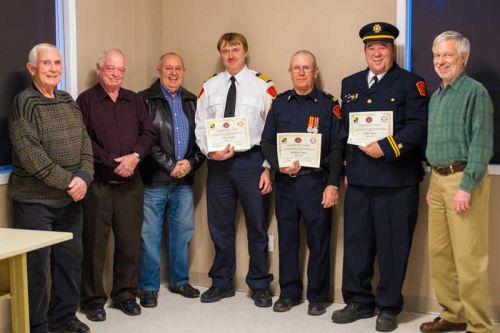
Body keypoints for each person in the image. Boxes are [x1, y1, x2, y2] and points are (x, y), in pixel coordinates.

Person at [331, 22, 428, 332]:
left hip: (396, 181)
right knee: (357, 244)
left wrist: (387, 147)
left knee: (392, 246)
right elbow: (344, 131)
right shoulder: (350, 83)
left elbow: (416, 127)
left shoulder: (412, 84)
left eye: (382, 47)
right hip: (359, 181)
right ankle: (359, 301)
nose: (377, 52)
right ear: (365, 51)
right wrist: (345, 169)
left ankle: (388, 306)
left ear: (391, 50)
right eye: (371, 48)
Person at [9, 43, 93, 333]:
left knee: (70, 262)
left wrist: (84, 176)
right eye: (46, 63)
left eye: (57, 63)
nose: (53, 68)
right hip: (35, 202)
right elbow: (31, 156)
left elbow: (85, 144)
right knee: (36, 267)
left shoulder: (67, 100)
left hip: (70, 201)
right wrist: (70, 181)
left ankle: (64, 318)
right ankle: (36, 324)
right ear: (32, 68)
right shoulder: (24, 103)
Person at [419, 31, 494, 333]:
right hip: (438, 180)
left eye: (447, 55)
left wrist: (466, 186)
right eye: (437, 55)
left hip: (464, 180)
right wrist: (434, 184)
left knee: (469, 258)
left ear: (463, 57)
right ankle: (453, 313)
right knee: (440, 255)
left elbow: (481, 143)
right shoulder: (437, 96)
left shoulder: (475, 92)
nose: (440, 61)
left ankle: (480, 325)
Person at [194, 32, 275, 307]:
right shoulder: (210, 87)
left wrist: (267, 167)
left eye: (236, 49)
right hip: (218, 165)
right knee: (219, 226)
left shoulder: (262, 85)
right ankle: (222, 282)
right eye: (225, 50)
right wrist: (209, 152)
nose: (230, 55)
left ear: (245, 52)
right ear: (221, 54)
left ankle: (260, 284)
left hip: (251, 163)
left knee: (257, 226)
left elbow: (272, 129)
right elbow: (200, 125)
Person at [260, 50, 343, 316]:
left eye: (307, 67)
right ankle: (289, 293)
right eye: (296, 67)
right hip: (286, 184)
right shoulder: (280, 103)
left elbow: (337, 148)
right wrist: (276, 165)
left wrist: (333, 184)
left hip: (315, 182)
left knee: (319, 242)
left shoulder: (328, 105)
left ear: (315, 71)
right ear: (290, 71)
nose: (301, 72)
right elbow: (266, 141)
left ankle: (318, 296)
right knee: (288, 240)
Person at [78, 49, 156, 321]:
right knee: (94, 245)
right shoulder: (85, 101)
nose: (115, 73)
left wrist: (134, 157)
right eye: (110, 68)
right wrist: (114, 163)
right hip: (99, 184)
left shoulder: (134, 100)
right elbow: (84, 140)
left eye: (120, 70)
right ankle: (92, 300)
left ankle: (124, 294)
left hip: (130, 185)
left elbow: (149, 133)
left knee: (129, 242)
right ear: (99, 68)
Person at [137, 52, 205, 307]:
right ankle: (148, 287)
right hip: (154, 180)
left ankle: (180, 281)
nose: (173, 73)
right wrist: (169, 166)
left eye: (178, 68)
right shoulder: (144, 100)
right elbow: (144, 141)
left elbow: (203, 142)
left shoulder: (192, 101)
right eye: (168, 68)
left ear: (183, 71)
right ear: (159, 70)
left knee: (182, 233)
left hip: (184, 182)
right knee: (149, 236)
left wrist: (190, 164)